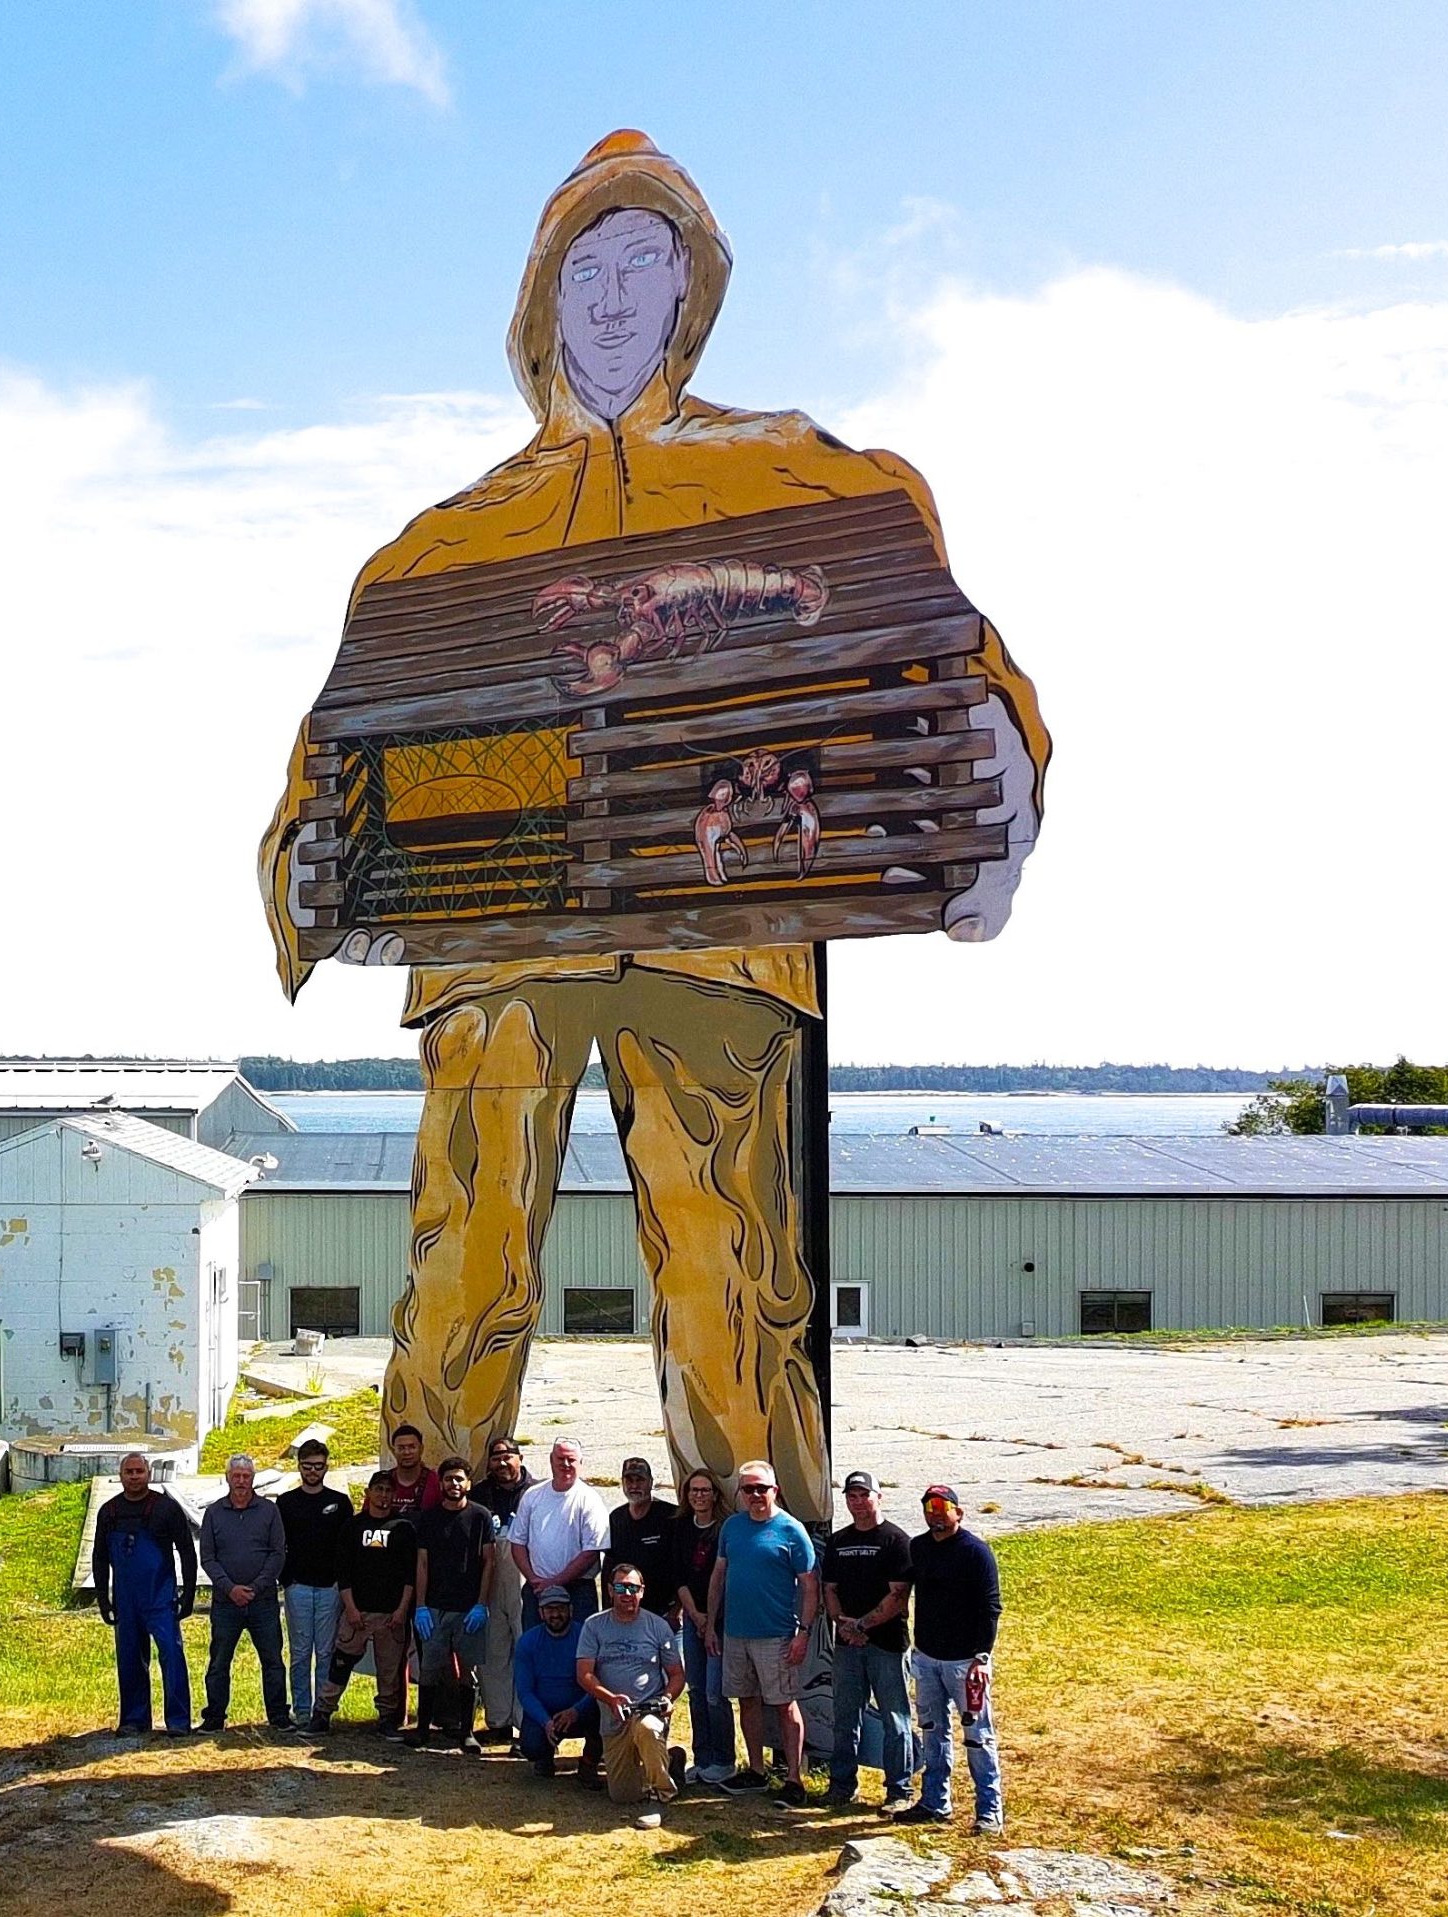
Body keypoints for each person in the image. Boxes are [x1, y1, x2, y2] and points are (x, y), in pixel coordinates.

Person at [258, 130, 1049, 1515]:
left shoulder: (801, 477)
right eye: (588, 269)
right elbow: (339, 743)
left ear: (693, 294)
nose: (615, 299)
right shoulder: (445, 543)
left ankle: (768, 1558)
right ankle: (434, 1548)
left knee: (731, 1264)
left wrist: (993, 785)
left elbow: (947, 648)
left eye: (646, 263)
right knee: (466, 1250)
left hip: (721, 947)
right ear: (541, 304)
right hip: (499, 951)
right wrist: (299, 885)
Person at [704, 1458, 817, 1805]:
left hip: (777, 1636)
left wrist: (803, 1633)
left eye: (761, 1489)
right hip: (736, 1634)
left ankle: (794, 1779)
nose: (755, 1495)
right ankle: (756, 1770)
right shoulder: (732, 1528)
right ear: (740, 1493)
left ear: (775, 1491)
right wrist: (711, 1624)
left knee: (784, 1705)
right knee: (747, 1701)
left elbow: (810, 1586)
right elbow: (718, 1577)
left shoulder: (791, 1530)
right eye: (748, 1489)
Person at [897, 1485, 1005, 1833]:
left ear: (958, 1512)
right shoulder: (919, 1548)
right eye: (929, 1508)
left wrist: (981, 1657)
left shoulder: (976, 1553)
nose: (935, 1514)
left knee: (977, 1736)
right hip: (927, 1658)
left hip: (966, 1663)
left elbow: (991, 1607)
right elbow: (899, 1588)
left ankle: (989, 1811)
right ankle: (934, 1802)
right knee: (932, 1732)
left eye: (942, 1508)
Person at [819, 1470, 915, 1812]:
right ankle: (842, 1785)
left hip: (886, 1644)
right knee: (844, 1717)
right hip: (846, 1644)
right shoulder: (839, 1541)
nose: (858, 1502)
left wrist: (863, 1625)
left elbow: (898, 1595)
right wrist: (842, 1623)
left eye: (864, 1495)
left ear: (878, 1496)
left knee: (895, 1718)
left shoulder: (896, 1540)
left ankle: (899, 1790)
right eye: (851, 1496)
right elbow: (828, 1589)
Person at [91, 1451, 199, 1735]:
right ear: (121, 1475)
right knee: (129, 1660)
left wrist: (188, 1593)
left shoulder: (166, 1508)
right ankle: (133, 1720)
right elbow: (100, 1557)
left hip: (160, 1598)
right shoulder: (109, 1511)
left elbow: (187, 1550)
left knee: (172, 1657)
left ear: (148, 1474)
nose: (135, 1476)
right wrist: (103, 1597)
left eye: (140, 1471)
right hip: (126, 1602)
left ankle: (178, 1722)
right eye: (130, 1472)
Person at [576, 1560, 686, 1825]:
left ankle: (659, 1797)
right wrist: (610, 1698)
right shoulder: (594, 1626)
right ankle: (670, 1761)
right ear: (610, 1591)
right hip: (614, 1717)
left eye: (633, 1588)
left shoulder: (658, 1626)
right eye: (621, 1588)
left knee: (648, 1729)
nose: (627, 1594)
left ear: (642, 1591)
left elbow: (677, 1675)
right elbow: (584, 1674)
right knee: (622, 1795)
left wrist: (667, 1698)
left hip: (648, 1710)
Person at [198, 1454, 290, 1732]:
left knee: (273, 1661)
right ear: (227, 1478)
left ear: (253, 1479)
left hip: (262, 1602)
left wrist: (256, 1586)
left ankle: (278, 1717)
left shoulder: (269, 1511)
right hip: (226, 1603)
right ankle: (214, 1717)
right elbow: (208, 1558)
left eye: (246, 1476)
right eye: (236, 1476)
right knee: (219, 1662)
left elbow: (277, 1553)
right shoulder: (213, 1513)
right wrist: (230, 1588)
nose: (241, 1481)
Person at [322, 1472, 418, 1734]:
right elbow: (343, 1572)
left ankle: (387, 1718)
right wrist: (350, 1608)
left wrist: (402, 1611)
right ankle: (323, 1713)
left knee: (389, 1672)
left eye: (388, 1490)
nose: (383, 1495)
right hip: (357, 1613)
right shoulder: (353, 1527)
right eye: (378, 1489)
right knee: (340, 1663)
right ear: (368, 1493)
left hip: (391, 1615)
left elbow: (411, 1574)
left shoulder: (403, 1528)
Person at [411, 1456, 495, 1752]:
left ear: (468, 1483)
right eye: (449, 1479)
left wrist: (482, 1604)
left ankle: (467, 1731)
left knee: (468, 1673)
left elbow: (489, 1562)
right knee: (429, 1670)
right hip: (434, 1608)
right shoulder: (429, 1519)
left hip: (469, 1609)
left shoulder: (481, 1516)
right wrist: (420, 1606)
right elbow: (422, 1564)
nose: (454, 1484)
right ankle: (422, 1729)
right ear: (441, 1483)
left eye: (460, 1479)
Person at [276, 1440, 354, 1730]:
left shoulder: (340, 1502)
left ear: (326, 1467)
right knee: (299, 1653)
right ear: (299, 1467)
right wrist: (286, 1579)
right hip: (297, 1586)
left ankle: (323, 1711)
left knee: (325, 1652)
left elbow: (347, 1547)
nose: (312, 1471)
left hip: (329, 1587)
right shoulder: (285, 1502)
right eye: (307, 1466)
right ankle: (302, 1711)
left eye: (318, 1467)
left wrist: (342, 1584)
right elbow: (277, 1544)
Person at [470, 1436, 540, 1744]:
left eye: (507, 1456)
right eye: (495, 1457)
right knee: (493, 1648)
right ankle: (498, 1719)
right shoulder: (479, 1494)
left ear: (520, 1458)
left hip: (525, 1575)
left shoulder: (538, 1493)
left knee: (524, 1646)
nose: (501, 1462)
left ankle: (526, 1720)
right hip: (490, 1576)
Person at [671, 1466, 736, 1785]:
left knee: (715, 1692)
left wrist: (710, 1620)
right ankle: (703, 1757)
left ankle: (724, 1759)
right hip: (693, 1619)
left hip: (721, 1623)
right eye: (693, 1490)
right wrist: (695, 1616)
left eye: (704, 1490)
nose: (699, 1495)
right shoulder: (681, 1528)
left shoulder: (726, 1529)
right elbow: (678, 1576)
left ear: (715, 1494)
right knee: (695, 1691)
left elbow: (725, 1578)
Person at [508, 1439, 606, 1622]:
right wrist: (533, 1579)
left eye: (571, 1460)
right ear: (551, 1460)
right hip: (536, 1589)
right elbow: (518, 1543)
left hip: (577, 1590)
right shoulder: (532, 1495)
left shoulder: (590, 1500)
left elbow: (591, 1552)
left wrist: (555, 1582)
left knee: (578, 1648)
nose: (566, 1464)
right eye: (560, 1459)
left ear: (580, 1463)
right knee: (535, 1645)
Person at [512, 1586, 601, 1782]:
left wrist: (576, 1711)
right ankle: (544, 1756)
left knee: (604, 1717)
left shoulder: (586, 1637)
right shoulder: (527, 1642)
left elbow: (598, 1683)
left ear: (571, 1610)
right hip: (545, 1712)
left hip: (582, 1710)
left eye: (560, 1608)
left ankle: (589, 1763)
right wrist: (546, 1721)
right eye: (550, 1609)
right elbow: (525, 1692)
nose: (555, 1614)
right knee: (531, 1746)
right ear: (540, 1613)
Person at [606, 1456, 679, 1631]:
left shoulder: (671, 1516)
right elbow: (609, 1568)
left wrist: (677, 1611)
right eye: (629, 1480)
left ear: (651, 1482)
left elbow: (683, 1567)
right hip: (627, 1614)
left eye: (640, 1480)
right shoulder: (616, 1518)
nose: (634, 1485)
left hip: (666, 1615)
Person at [378, 1422, 442, 1513]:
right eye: (401, 1448)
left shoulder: (435, 1481)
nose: (407, 1452)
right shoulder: (381, 1482)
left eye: (412, 1447)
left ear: (421, 1449)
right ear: (393, 1451)